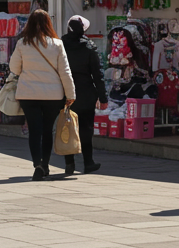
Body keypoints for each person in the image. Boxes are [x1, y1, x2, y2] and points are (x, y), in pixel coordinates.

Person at [9, 10, 75, 181]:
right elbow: (65, 72)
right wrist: (70, 94)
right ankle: (45, 164)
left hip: (28, 94)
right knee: (47, 130)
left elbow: (14, 69)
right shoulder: (57, 44)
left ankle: (37, 165)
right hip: (53, 96)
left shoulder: (22, 44)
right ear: (48, 24)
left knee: (34, 130)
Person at [61, 15, 106, 175]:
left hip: (65, 94)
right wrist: (103, 97)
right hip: (86, 93)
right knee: (86, 128)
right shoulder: (89, 46)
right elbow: (97, 75)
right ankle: (88, 162)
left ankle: (69, 164)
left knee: (67, 127)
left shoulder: (60, 46)